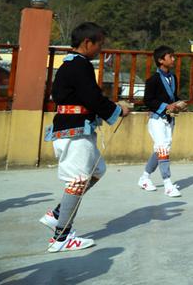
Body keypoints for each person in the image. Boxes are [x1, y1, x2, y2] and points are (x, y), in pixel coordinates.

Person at [39, 22, 131, 253]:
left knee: (97, 171)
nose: (101, 48)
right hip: (75, 132)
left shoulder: (71, 64)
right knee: (79, 180)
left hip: (77, 129)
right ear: (88, 43)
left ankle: (59, 214)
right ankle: (61, 238)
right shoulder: (80, 66)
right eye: (100, 43)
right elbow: (92, 98)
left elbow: (84, 97)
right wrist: (118, 110)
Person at [138, 45, 186, 197]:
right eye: (170, 56)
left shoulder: (173, 77)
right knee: (163, 148)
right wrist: (167, 106)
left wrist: (179, 104)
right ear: (160, 60)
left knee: (161, 149)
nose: (173, 59)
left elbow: (173, 97)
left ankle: (144, 178)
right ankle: (167, 183)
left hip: (169, 119)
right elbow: (148, 100)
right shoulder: (153, 80)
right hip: (157, 119)